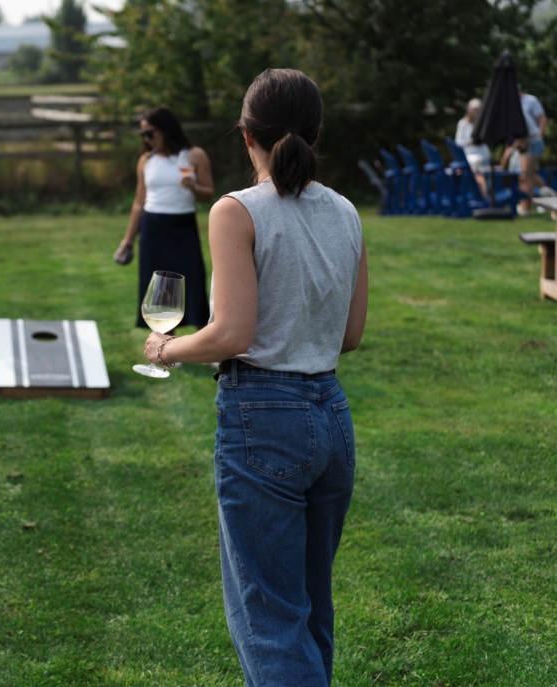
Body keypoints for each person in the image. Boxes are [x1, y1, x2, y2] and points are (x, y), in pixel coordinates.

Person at [143, 69, 368, 686]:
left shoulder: (235, 210)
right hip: (332, 418)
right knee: (309, 610)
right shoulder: (347, 212)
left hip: (262, 418)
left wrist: (169, 348)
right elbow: (350, 336)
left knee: (269, 620)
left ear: (246, 138)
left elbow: (232, 335)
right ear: (317, 134)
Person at [115, 106, 214, 332]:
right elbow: (139, 202)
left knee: (194, 285)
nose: (147, 139)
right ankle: (167, 348)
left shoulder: (194, 155)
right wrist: (127, 241)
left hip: (183, 227)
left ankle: (206, 347)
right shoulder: (145, 160)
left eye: (150, 133)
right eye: (143, 135)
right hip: (153, 229)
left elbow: (208, 193)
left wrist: (194, 187)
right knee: (159, 291)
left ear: (166, 130)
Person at [518, 85, 553, 214]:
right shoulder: (513, 105)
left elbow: (542, 118)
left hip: (533, 140)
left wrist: (540, 136)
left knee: (526, 175)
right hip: (525, 142)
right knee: (527, 174)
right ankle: (548, 194)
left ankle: (526, 207)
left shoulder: (530, 100)